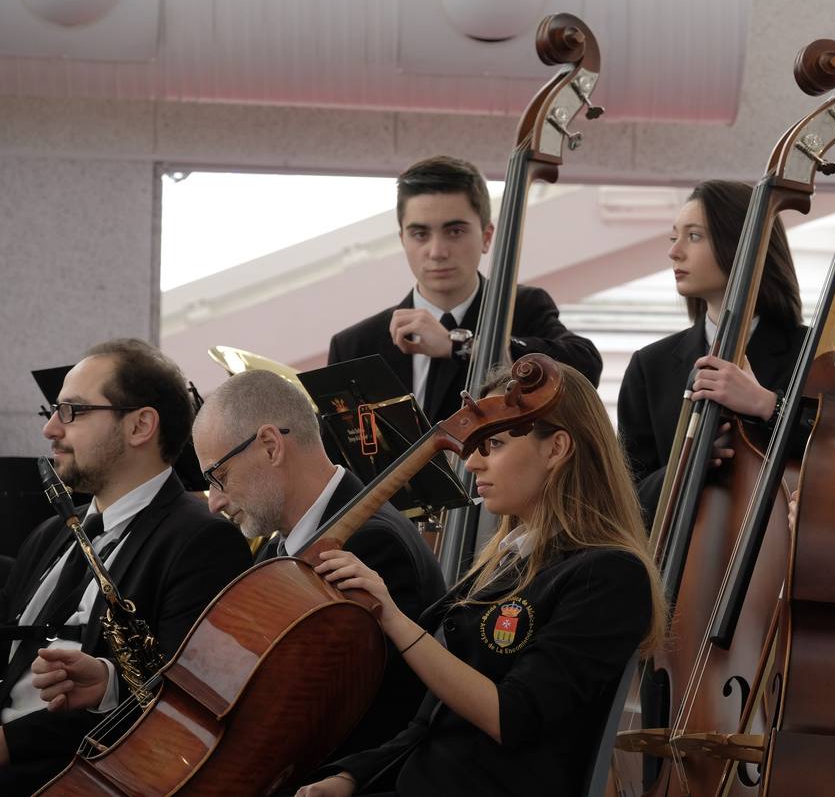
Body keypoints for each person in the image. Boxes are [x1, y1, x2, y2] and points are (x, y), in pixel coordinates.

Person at [294, 363, 664, 797]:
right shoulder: (508, 563)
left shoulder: (610, 575)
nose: (470, 462)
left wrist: (391, 617)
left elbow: (512, 717)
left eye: (493, 444)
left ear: (557, 448)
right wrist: (350, 777)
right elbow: (429, 723)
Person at [0, 340, 251, 793]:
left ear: (140, 425)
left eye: (73, 411)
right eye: (54, 411)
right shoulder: (49, 534)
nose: (51, 429)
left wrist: (9, 743)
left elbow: (176, 708)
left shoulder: (204, 543)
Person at [190, 369, 446, 759]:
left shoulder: (372, 544)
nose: (214, 501)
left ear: (271, 446)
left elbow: (348, 721)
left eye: (218, 476)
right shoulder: (277, 548)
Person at [328, 155, 603, 423]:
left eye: (455, 231)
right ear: (403, 240)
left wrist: (461, 346)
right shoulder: (354, 347)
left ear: (486, 237)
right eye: (420, 234)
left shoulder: (522, 307)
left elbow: (586, 368)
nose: (437, 252)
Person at [616, 180, 808, 523]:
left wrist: (769, 406)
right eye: (673, 237)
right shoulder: (650, 366)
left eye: (694, 236)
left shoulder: (811, 350)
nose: (674, 252)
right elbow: (623, 498)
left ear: (740, 243)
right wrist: (683, 466)